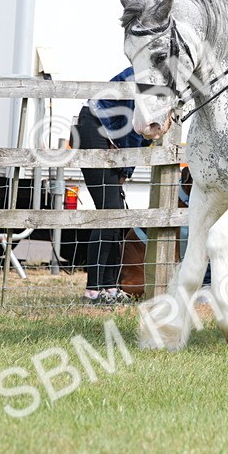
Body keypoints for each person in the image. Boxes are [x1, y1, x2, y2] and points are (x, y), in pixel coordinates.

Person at [75, 67, 151, 304]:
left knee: (117, 217)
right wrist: (126, 170)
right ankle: (93, 290)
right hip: (95, 125)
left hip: (112, 135)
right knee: (109, 213)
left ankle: (110, 287)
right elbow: (135, 129)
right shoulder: (145, 75)